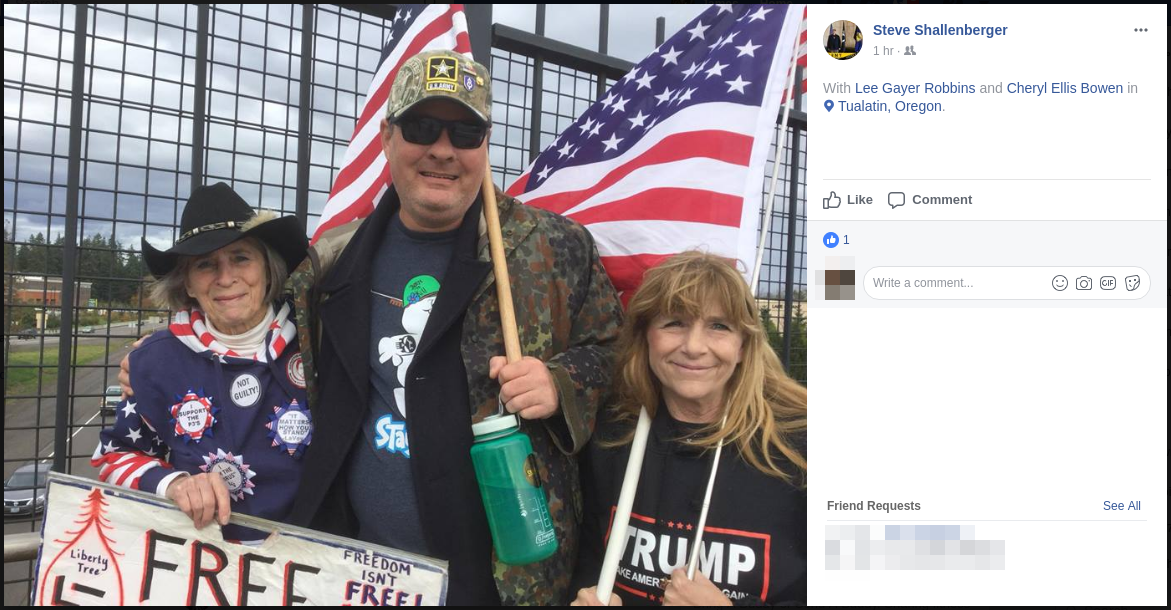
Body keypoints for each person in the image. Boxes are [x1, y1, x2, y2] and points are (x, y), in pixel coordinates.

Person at [284, 50, 623, 605]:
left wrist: (560, 384)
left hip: (501, 580)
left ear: (485, 145)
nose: (444, 149)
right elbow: (257, 338)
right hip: (357, 570)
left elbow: (620, 357)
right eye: (422, 127)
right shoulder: (331, 260)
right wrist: (163, 363)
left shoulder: (553, 249)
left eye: (466, 132)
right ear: (388, 137)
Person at [571, 251, 807, 606]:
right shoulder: (611, 436)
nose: (694, 347)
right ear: (645, 337)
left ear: (743, 345)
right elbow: (590, 561)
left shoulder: (800, 446)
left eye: (719, 326)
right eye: (674, 323)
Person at [94, 182, 310, 542]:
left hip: (311, 566)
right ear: (189, 284)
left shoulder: (317, 342)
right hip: (203, 567)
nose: (226, 278)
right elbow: (113, 456)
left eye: (241, 257)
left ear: (268, 269)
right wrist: (173, 483)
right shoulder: (155, 361)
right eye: (206, 264)